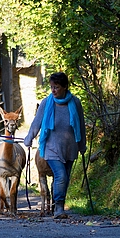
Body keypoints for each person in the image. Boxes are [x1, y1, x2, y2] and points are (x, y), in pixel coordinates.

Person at [24, 72, 87, 219]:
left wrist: (82, 145)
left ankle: (55, 204)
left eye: (56, 87)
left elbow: (81, 126)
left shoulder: (75, 103)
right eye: (51, 87)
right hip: (51, 148)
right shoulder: (47, 103)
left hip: (70, 148)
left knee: (65, 178)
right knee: (61, 175)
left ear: (65, 87)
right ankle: (59, 208)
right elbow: (36, 123)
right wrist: (29, 138)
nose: (53, 90)